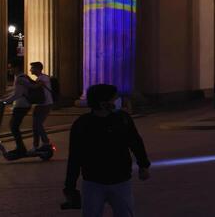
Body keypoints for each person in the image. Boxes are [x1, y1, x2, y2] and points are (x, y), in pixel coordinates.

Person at [62, 83, 150, 215]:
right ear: (103, 104)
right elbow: (75, 156)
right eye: (114, 99)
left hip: (121, 180)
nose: (117, 102)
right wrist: (70, 187)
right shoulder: (83, 124)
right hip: (93, 182)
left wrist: (143, 165)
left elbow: (136, 142)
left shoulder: (122, 119)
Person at [1, 64, 48, 155]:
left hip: (21, 106)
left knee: (14, 127)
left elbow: (18, 94)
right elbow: (17, 91)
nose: (9, 69)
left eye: (11, 67)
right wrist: (4, 97)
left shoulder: (20, 78)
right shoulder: (22, 77)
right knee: (14, 126)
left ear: (17, 67)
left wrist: (5, 101)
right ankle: (20, 147)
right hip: (23, 105)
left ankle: (21, 148)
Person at [29, 61, 55, 149]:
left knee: (38, 124)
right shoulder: (40, 78)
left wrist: (23, 82)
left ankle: (46, 142)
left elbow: (34, 87)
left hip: (45, 104)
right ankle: (35, 145)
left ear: (37, 69)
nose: (30, 70)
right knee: (35, 126)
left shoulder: (42, 78)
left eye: (32, 68)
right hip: (40, 104)